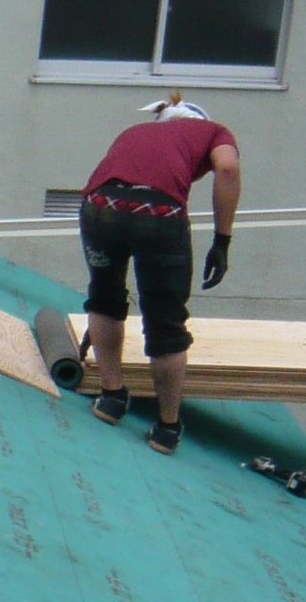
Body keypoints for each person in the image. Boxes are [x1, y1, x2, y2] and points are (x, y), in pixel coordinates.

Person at [78, 94, 241, 455]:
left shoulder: (135, 131)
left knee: (104, 298)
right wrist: (222, 240)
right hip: (159, 214)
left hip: (99, 205)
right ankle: (166, 428)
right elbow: (227, 169)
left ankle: (111, 398)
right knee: (166, 324)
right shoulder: (215, 132)